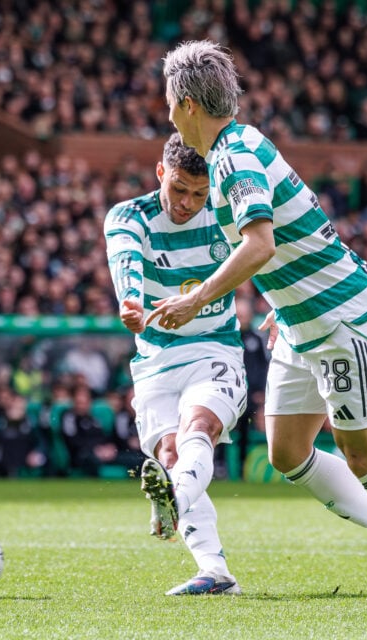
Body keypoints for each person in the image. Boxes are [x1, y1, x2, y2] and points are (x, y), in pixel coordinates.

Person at [149, 41, 367, 615]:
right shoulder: (237, 148)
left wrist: (195, 299)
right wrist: (282, 297)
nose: (166, 111)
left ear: (188, 102)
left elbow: (261, 243)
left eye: (170, 101)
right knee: (287, 451)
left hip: (340, 321)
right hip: (298, 321)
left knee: (365, 455)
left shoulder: (234, 157)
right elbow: (307, 233)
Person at [104, 133, 247, 595]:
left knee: (197, 430)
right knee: (169, 455)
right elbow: (126, 261)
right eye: (179, 189)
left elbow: (266, 256)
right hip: (156, 358)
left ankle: (173, 500)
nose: (187, 202)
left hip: (215, 348)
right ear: (161, 173)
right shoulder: (129, 216)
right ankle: (215, 571)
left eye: (199, 194)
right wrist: (129, 300)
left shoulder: (225, 216)